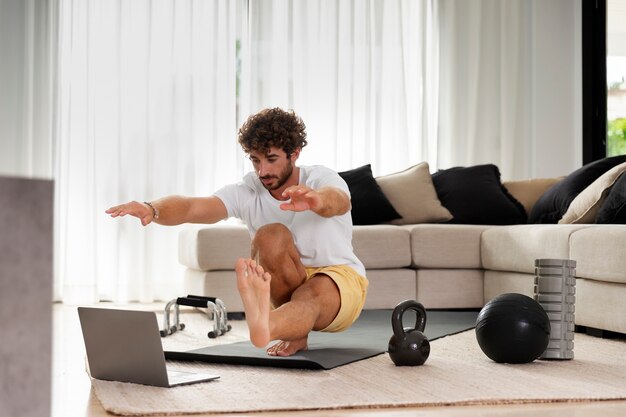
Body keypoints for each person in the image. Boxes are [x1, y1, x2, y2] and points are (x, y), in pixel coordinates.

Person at [106, 108, 368, 357]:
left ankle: (268, 324)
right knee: (270, 236)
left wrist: (315, 201)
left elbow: (339, 201)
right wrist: (152, 209)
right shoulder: (247, 191)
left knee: (309, 296)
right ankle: (282, 330)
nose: (262, 170)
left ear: (295, 153)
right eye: (255, 160)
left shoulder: (320, 178)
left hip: (338, 279)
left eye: (271, 159)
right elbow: (192, 206)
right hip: (289, 282)